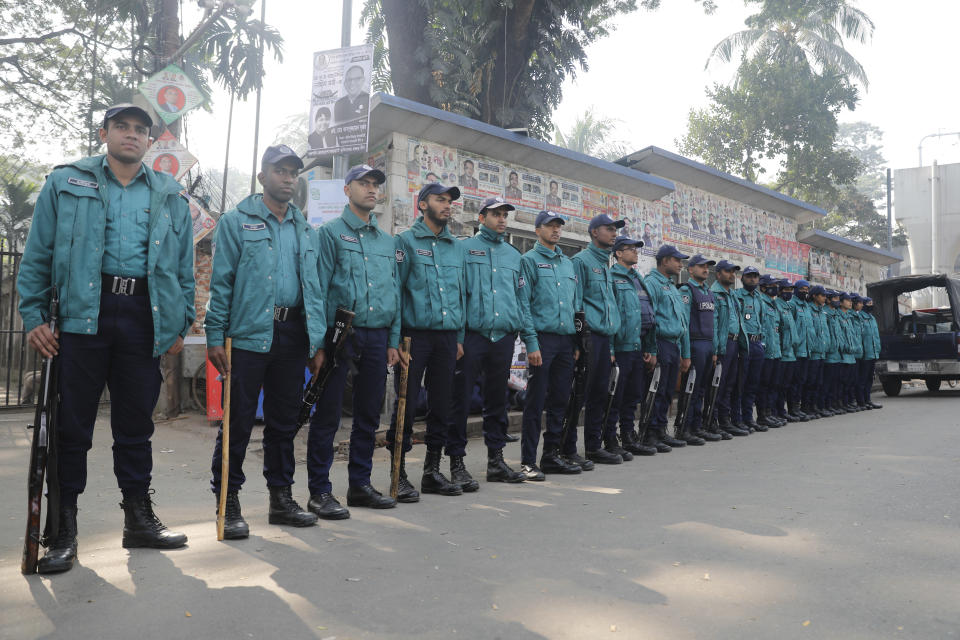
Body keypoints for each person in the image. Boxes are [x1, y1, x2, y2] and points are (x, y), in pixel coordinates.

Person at [18, 103, 195, 573]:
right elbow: (38, 252)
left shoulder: (168, 193)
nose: (132, 135)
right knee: (71, 427)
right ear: (105, 133)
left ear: (150, 141)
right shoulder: (67, 181)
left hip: (144, 315)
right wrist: (34, 314)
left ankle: (138, 518)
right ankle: (63, 530)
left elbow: (181, 267)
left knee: (136, 425)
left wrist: (178, 324)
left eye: (141, 130)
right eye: (122, 127)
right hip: (81, 316)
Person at [206, 145, 322, 539]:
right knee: (237, 420)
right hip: (248, 334)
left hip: (292, 335)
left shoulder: (304, 228)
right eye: (280, 171)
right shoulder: (236, 222)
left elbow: (315, 289)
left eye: (293, 172)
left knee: (283, 422)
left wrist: (316, 342)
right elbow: (220, 284)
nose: (288, 178)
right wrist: (214, 335)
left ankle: (281, 498)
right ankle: (229, 500)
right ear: (262, 177)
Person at [306, 164, 401, 518]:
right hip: (339, 334)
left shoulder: (387, 241)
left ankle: (360, 485)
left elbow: (395, 294)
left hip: (377, 336)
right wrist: (317, 343)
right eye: (364, 183)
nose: (371, 189)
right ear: (347, 190)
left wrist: (392, 338)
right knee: (328, 414)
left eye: (376, 183)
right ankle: (319, 491)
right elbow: (316, 291)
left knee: (368, 415)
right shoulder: (329, 234)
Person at [387, 182, 466, 497]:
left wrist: (458, 336)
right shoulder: (404, 242)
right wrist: (394, 341)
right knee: (404, 405)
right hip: (413, 337)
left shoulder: (455, 246)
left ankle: (432, 471)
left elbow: (459, 294)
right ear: (422, 205)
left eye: (449, 201)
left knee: (441, 405)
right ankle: (398, 473)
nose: (447, 205)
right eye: (440, 199)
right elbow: (395, 293)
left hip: (447, 338)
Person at [449, 196, 526, 486]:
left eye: (505, 214)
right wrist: (458, 336)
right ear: (481, 218)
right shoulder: (464, 249)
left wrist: (520, 332)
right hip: (472, 335)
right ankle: (457, 462)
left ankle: (496, 461)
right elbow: (457, 295)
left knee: (498, 400)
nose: (502, 219)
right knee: (461, 398)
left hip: (503, 337)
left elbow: (521, 298)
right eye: (495, 214)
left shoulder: (513, 255)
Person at [516, 210, 583, 479]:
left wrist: (576, 341)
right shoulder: (528, 261)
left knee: (560, 400)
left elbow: (575, 305)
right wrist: (531, 343)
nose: (555, 230)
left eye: (558, 226)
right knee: (535, 401)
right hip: (541, 340)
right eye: (549, 226)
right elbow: (523, 305)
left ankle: (552, 455)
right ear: (537, 230)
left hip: (566, 341)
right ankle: (528, 461)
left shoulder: (568, 264)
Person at [571, 214, 625, 464]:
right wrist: (578, 341)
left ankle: (593, 446)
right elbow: (576, 302)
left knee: (600, 395)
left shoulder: (606, 264)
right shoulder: (581, 261)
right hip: (589, 337)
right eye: (609, 229)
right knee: (579, 394)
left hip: (605, 338)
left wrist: (611, 342)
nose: (614, 233)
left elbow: (609, 304)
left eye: (616, 230)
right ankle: (566, 448)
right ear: (594, 232)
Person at [607, 237, 658, 456]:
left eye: (637, 249)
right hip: (620, 348)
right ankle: (610, 439)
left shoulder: (638, 279)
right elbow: (609, 314)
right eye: (630, 249)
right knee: (615, 397)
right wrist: (609, 349)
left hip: (637, 347)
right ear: (618, 253)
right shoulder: (612, 278)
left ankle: (628, 436)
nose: (635, 253)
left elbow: (647, 314)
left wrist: (650, 347)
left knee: (632, 396)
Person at [644, 245, 691, 451]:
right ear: (664, 261)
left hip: (674, 345)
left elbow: (682, 321)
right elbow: (650, 318)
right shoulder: (651, 283)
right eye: (676, 260)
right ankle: (650, 433)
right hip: (660, 343)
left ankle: (662, 430)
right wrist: (652, 349)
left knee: (668, 391)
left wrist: (684, 353)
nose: (680, 264)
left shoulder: (672, 286)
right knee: (657, 389)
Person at [678, 254, 720, 445]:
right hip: (694, 344)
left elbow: (713, 323)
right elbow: (684, 324)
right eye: (701, 266)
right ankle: (684, 428)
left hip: (707, 344)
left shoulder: (709, 292)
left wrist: (714, 349)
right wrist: (685, 353)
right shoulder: (687, 291)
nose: (705, 269)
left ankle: (697, 426)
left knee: (702, 389)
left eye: (707, 267)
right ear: (690, 269)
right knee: (691, 389)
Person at [711, 260, 748, 437]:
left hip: (734, 343)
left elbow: (738, 322)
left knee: (730, 384)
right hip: (723, 344)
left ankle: (725, 421)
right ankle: (713, 421)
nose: (732, 274)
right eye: (728, 271)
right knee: (719, 383)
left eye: (733, 272)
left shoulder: (732, 295)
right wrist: (717, 349)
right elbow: (714, 324)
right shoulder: (714, 293)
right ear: (718, 274)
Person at [732, 266, 766, 432]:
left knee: (753, 383)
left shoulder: (759, 298)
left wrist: (762, 343)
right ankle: (737, 418)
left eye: (755, 277)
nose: (752, 279)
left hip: (757, 344)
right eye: (749, 276)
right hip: (744, 345)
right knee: (740, 384)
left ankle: (748, 417)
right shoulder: (737, 296)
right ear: (742, 279)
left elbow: (763, 321)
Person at [773, 280, 804, 422]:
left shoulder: (787, 306)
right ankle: (777, 411)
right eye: (786, 289)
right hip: (782, 352)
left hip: (791, 352)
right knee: (778, 385)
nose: (789, 292)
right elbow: (777, 330)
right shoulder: (777, 305)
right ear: (779, 291)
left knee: (787, 385)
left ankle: (786, 410)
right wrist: (781, 346)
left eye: (791, 289)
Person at [755, 275, 783, 429]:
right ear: (764, 287)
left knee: (774, 384)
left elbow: (777, 329)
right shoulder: (761, 302)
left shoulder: (774, 304)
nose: (776, 288)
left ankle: (770, 413)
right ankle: (762, 415)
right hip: (765, 351)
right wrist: (763, 345)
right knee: (764, 385)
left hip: (775, 351)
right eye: (772, 285)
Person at [788, 280, 815, 420]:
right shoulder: (792, 305)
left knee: (803, 380)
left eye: (807, 289)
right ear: (796, 290)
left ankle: (799, 407)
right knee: (795, 380)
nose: (805, 291)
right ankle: (793, 408)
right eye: (803, 289)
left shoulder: (806, 306)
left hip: (807, 349)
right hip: (796, 350)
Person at [806, 285, 830, 417]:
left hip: (822, 352)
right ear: (814, 296)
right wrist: (814, 346)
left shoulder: (822, 311)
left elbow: (824, 332)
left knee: (819, 382)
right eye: (822, 295)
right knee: (811, 381)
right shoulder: (809, 309)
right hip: (813, 353)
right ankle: (807, 407)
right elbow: (810, 331)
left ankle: (815, 406)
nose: (824, 298)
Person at [823, 290, 847, 414]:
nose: (837, 301)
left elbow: (840, 332)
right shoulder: (825, 312)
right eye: (835, 298)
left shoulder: (837, 313)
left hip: (838, 352)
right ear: (828, 300)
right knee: (828, 382)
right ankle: (827, 404)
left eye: (838, 298)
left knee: (837, 381)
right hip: (830, 353)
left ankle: (836, 403)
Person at [859, 297, 883, 409]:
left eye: (872, 303)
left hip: (873, 353)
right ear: (863, 304)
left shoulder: (872, 318)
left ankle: (868, 400)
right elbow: (860, 336)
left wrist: (877, 350)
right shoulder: (860, 317)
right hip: (865, 354)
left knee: (869, 378)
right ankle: (861, 401)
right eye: (869, 303)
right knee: (862, 379)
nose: (871, 305)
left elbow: (876, 336)